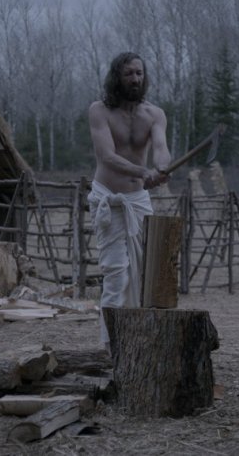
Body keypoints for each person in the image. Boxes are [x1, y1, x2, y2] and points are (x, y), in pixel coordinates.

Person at [87, 52, 172, 351]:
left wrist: (162, 167)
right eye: (129, 74)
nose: (135, 79)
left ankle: (139, 342)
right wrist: (143, 172)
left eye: (139, 73)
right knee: (116, 273)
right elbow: (106, 156)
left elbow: (160, 147)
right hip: (108, 199)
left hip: (138, 201)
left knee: (143, 273)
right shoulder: (99, 111)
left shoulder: (154, 114)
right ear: (117, 77)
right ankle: (110, 346)